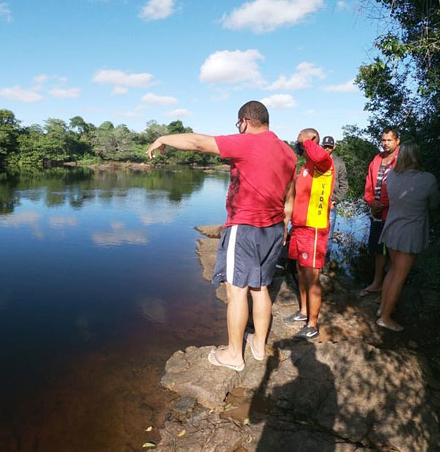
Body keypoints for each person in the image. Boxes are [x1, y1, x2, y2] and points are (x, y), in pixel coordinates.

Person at [146, 101, 296, 370]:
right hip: (273, 229)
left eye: (238, 125)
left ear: (245, 121)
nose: (238, 129)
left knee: (236, 291)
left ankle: (234, 355)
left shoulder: (248, 142)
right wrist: (284, 225)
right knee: (260, 287)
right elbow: (290, 197)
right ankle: (258, 346)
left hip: (245, 226)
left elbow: (197, 142)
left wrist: (162, 138)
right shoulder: (287, 152)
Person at [376, 142, 440, 331]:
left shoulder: (392, 176)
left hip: (391, 230)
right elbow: (434, 204)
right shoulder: (428, 179)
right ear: (417, 156)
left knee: (393, 270)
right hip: (409, 234)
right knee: (399, 276)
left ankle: (382, 309)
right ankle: (385, 318)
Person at [286, 129, 335, 340]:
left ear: (312, 141)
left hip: (314, 229)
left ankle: (313, 324)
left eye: (301, 142)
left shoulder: (323, 165)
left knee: (312, 277)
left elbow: (320, 155)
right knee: (300, 270)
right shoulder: (305, 167)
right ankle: (303, 312)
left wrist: (308, 141)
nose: (298, 146)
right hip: (299, 227)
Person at [360, 128, 401, 297]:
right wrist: (371, 201)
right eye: (383, 140)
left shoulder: (402, 159)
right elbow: (369, 183)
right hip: (377, 213)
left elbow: (403, 187)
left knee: (393, 251)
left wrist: (384, 203)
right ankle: (377, 283)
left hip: (394, 213)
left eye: (389, 140)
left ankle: (389, 288)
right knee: (378, 250)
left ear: (397, 141)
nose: (385, 144)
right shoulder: (377, 159)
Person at [321, 136, 349, 262]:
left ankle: (325, 260)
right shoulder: (318, 160)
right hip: (317, 202)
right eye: (325, 146)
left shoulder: (339, 163)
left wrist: (335, 200)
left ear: (334, 147)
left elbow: (344, 186)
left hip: (331, 203)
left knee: (328, 235)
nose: (327, 149)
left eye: (329, 147)